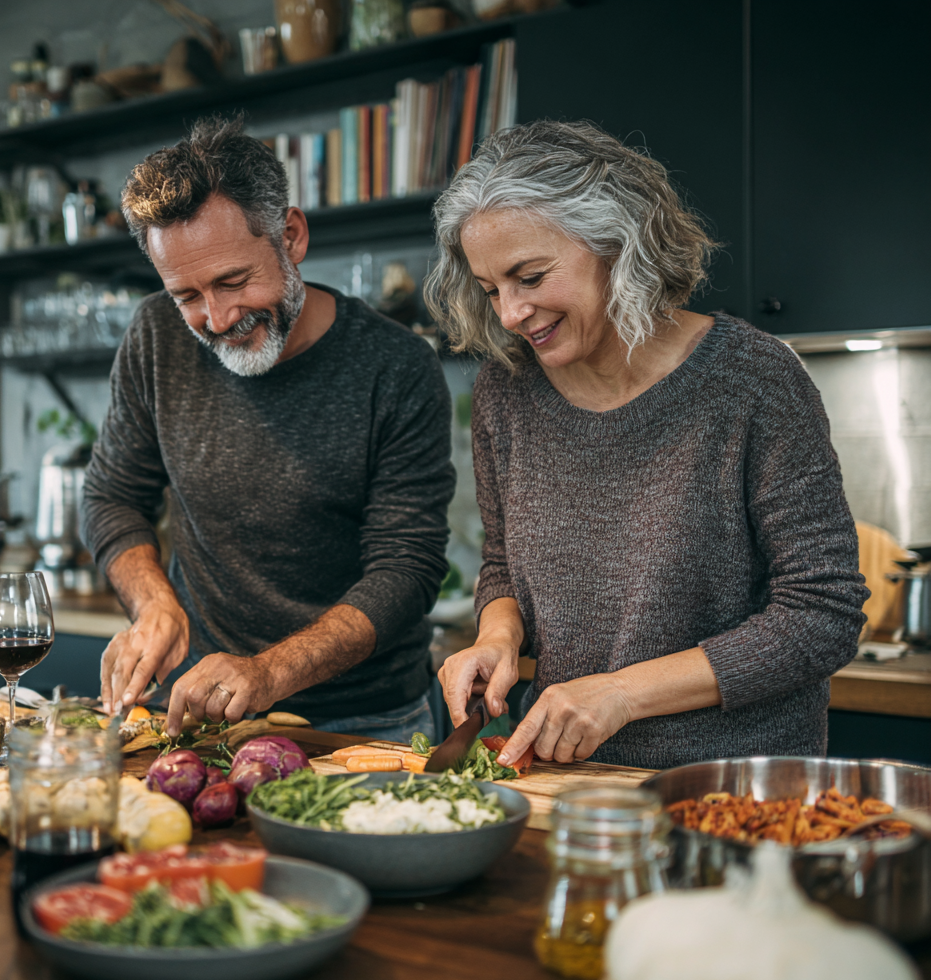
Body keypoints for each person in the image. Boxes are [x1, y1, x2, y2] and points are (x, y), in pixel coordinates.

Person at [426, 120, 868, 771]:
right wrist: (498, 634)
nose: (511, 314)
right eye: (492, 289)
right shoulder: (507, 390)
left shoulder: (752, 379)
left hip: (730, 787)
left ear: (618, 244)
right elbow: (504, 565)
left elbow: (823, 615)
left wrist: (622, 695)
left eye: (531, 276)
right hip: (564, 779)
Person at [82, 116, 455, 741]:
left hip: (368, 724)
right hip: (202, 714)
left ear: (291, 234)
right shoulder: (156, 337)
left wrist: (268, 673)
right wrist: (154, 605)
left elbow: (405, 568)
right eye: (187, 295)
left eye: (234, 281)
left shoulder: (397, 366)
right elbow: (111, 496)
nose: (218, 316)